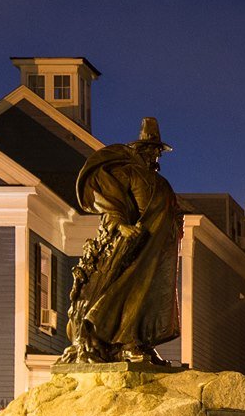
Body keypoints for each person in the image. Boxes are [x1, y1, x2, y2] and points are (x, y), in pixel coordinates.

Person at [61, 117, 182, 367]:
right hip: (136, 245)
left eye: (158, 151)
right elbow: (108, 197)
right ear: (140, 149)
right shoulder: (126, 172)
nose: (155, 156)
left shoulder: (160, 183)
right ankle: (125, 342)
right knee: (128, 290)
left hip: (160, 246)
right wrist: (120, 225)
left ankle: (143, 340)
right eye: (150, 149)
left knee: (153, 295)